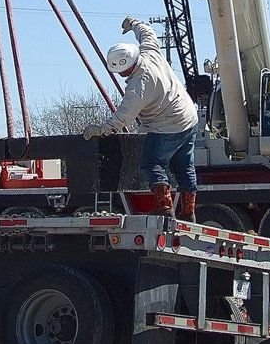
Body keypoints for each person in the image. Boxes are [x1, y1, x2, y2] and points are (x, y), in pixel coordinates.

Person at [83, 17, 199, 221]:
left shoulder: (138, 86)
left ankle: (165, 208)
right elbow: (148, 34)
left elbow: (123, 118)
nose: (120, 75)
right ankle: (188, 212)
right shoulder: (150, 52)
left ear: (127, 67)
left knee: (153, 163)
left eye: (121, 71)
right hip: (189, 118)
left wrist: (100, 129)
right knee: (184, 166)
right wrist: (135, 24)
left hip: (166, 126)